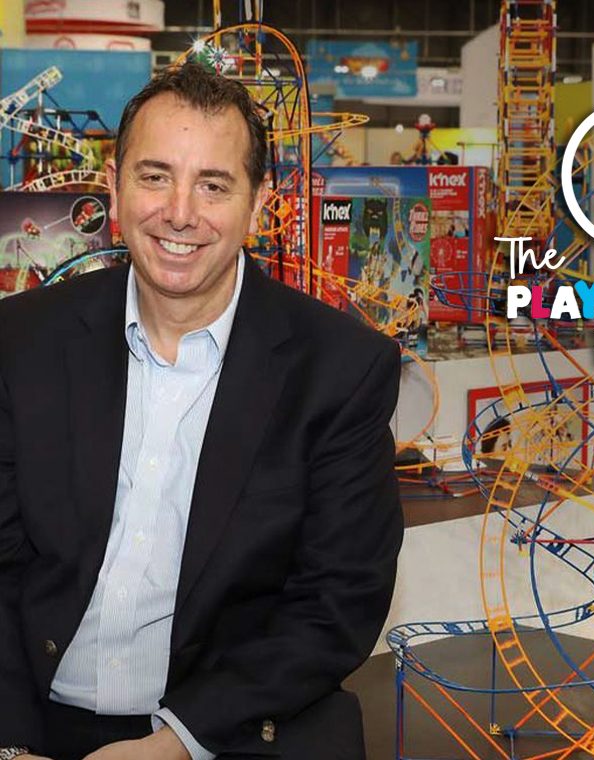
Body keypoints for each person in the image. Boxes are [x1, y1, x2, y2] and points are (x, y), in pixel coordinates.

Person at [0, 63, 403, 760]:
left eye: (213, 185)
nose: (180, 212)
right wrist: (12, 744)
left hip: (225, 728)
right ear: (114, 186)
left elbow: (336, 602)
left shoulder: (339, 369)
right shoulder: (22, 339)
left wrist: (175, 744)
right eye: (155, 176)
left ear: (259, 204)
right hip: (35, 721)